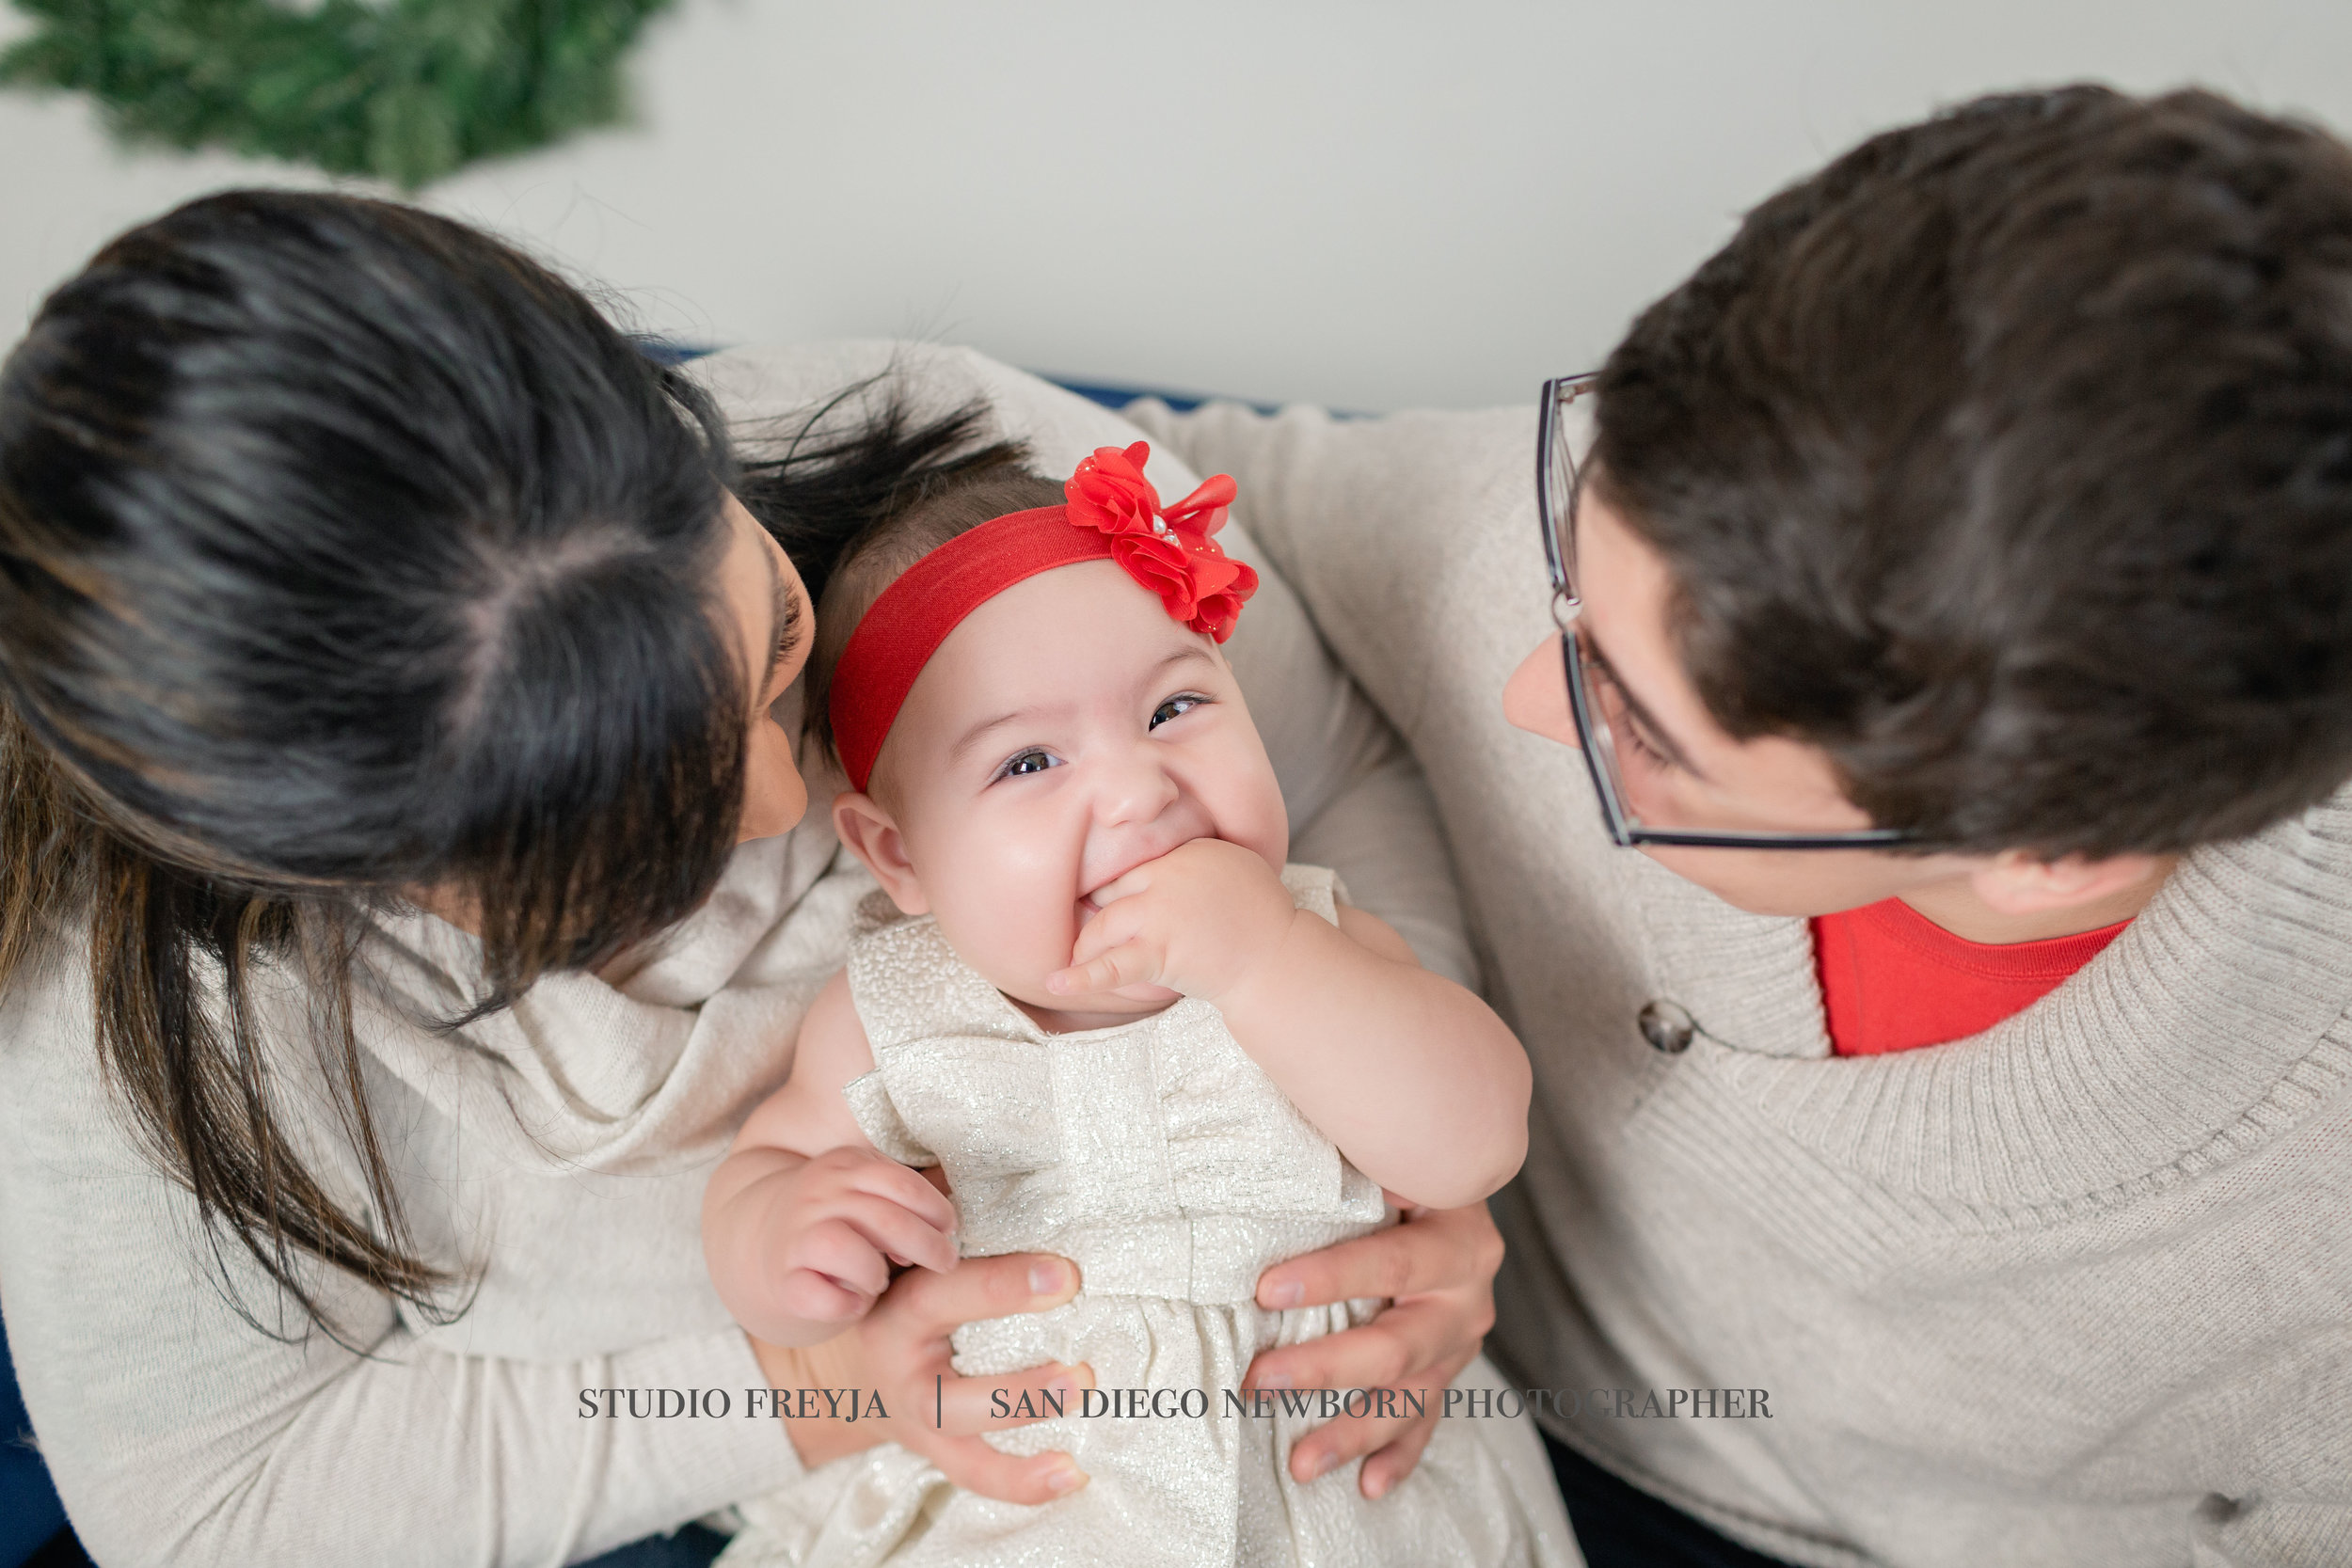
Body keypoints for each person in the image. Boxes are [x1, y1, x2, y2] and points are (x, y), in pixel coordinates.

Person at [0, 193, 1498, 1566]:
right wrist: (823, 1381)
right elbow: (216, 1506)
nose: (799, 799)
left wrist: (1387, 1172)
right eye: (649, 848)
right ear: (356, 880)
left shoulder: (982, 503)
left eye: (779, 638)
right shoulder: (174, 1003)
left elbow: (1344, 771)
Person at [1126, 85, 2352, 1567]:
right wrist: (1389, 1028)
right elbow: (1138, 512)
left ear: (2047, 854)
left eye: (1644, 730)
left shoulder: (2306, 1213)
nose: (1527, 687)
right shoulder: (1678, 557)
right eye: (1570, 561)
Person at [700, 439, 1571, 1566]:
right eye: (1027, 763)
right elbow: (761, 1174)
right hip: (1035, 1502)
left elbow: (1472, 1142)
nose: (1136, 786)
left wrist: (1263, 960)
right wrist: (781, 1236)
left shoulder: (1317, 938)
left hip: (1339, 1488)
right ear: (899, 854)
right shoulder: (890, 1012)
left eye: (1174, 706)